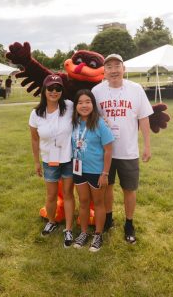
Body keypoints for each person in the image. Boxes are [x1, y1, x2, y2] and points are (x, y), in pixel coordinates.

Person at [92, 54, 153, 244]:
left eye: (117, 65)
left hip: (128, 150)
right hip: (105, 151)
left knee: (129, 189)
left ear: (123, 69)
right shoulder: (96, 91)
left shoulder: (135, 89)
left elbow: (143, 118)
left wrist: (147, 145)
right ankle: (108, 218)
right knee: (106, 187)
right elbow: (90, 117)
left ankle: (129, 223)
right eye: (109, 67)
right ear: (104, 72)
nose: (113, 70)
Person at [29, 74, 75, 248]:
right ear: (44, 90)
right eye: (51, 88)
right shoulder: (35, 114)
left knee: (69, 194)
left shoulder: (70, 106)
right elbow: (34, 139)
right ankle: (51, 221)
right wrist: (36, 162)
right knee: (51, 195)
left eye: (58, 88)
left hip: (68, 159)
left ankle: (69, 228)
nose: (54, 92)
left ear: (62, 91)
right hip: (49, 160)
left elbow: (88, 110)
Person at [71, 89, 114, 252]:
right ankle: (83, 232)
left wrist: (105, 173)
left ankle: (97, 234)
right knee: (83, 202)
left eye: (87, 102)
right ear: (75, 106)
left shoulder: (100, 123)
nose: (84, 105)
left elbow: (108, 150)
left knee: (98, 203)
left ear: (93, 104)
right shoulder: (74, 123)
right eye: (80, 102)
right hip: (78, 170)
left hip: (97, 171)